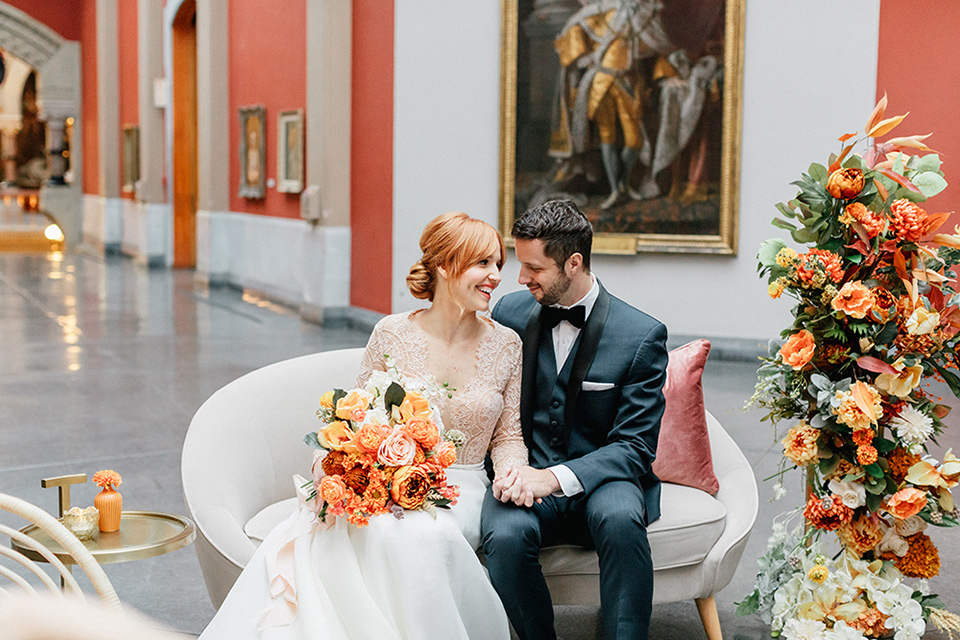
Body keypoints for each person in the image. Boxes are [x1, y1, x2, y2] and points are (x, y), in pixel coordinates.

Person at [199, 212, 528, 640]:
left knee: (420, 536)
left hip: (458, 486)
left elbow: (509, 435)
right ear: (446, 266)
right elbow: (355, 415)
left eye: (498, 265)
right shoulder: (391, 333)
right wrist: (341, 465)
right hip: (384, 478)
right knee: (368, 528)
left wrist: (513, 474)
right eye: (483, 263)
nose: (496, 276)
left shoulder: (506, 343)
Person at [481, 199, 668, 640]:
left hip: (604, 479)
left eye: (533, 268)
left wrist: (556, 478)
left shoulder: (641, 335)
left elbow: (635, 448)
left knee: (622, 520)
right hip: (523, 471)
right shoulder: (507, 314)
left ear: (573, 263)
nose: (521, 278)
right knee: (505, 537)